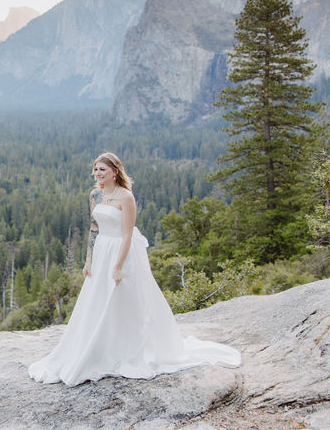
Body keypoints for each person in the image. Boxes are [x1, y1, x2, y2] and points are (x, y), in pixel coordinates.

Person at [28, 153, 239, 386]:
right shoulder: (95, 194)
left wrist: (118, 266)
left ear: (115, 172)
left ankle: (126, 347)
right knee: (96, 300)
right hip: (101, 250)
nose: (98, 173)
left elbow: (127, 233)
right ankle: (99, 344)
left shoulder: (126, 197)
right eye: (95, 170)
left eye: (102, 170)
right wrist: (89, 260)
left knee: (123, 300)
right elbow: (94, 228)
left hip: (121, 250)